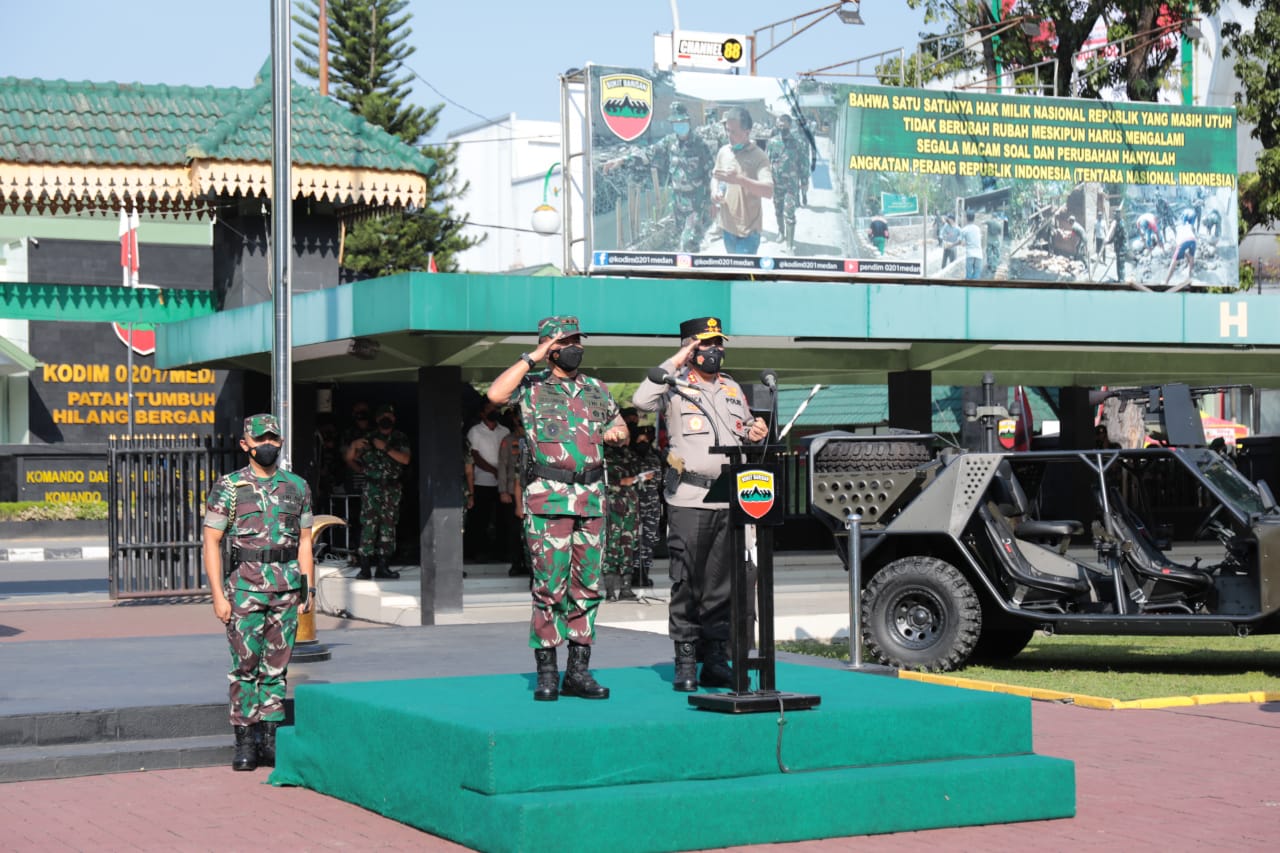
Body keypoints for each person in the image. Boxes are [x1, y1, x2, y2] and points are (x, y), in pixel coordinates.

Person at [486, 315, 630, 702]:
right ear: (550, 347)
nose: (575, 348)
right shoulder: (531, 386)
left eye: (578, 341)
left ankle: (578, 672)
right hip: (548, 499)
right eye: (567, 342)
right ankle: (547, 671)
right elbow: (496, 395)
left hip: (593, 500)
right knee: (549, 587)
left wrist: (617, 434)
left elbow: (620, 427)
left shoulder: (597, 389)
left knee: (586, 588)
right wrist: (532, 357)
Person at [632, 316, 770, 692]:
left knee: (722, 586)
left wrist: (756, 432)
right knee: (688, 580)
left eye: (719, 343)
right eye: (707, 344)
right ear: (691, 347)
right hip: (690, 499)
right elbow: (639, 399)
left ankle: (715, 659)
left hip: (730, 499)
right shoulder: (673, 386)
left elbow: (743, 433)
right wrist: (678, 359)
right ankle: (686, 660)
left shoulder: (731, 388)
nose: (716, 351)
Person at [202, 413, 315, 772]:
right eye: (260, 439)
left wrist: (307, 589)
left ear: (280, 443)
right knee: (245, 667)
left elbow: (306, 541)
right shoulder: (230, 486)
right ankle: (245, 740)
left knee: (276, 667)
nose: (267, 445)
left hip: (285, 589)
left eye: (273, 439)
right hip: (245, 590)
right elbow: (211, 541)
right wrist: (218, 596)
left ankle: (270, 738)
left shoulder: (297, 486)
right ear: (245, 445)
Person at [603, 101, 715, 254]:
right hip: (678, 203)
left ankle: (690, 273)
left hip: (696, 204)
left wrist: (711, 202)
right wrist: (622, 160)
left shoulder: (701, 145)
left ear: (688, 121)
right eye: (675, 122)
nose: (679, 125)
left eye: (681, 121)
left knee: (688, 243)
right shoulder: (669, 142)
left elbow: (711, 174)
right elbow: (648, 154)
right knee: (679, 243)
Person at [345, 403, 410, 579]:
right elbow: (350, 459)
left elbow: (405, 459)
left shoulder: (399, 438)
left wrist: (385, 448)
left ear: (394, 418)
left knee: (388, 527)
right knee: (369, 526)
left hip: (392, 487)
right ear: (377, 419)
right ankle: (365, 567)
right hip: (372, 487)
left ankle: (383, 567)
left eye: (389, 416)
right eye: (382, 417)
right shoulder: (368, 439)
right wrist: (353, 448)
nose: (386, 419)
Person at [711, 107, 773, 255]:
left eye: (734, 132)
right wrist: (714, 191)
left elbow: (768, 191)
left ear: (747, 132)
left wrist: (739, 180)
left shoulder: (759, 157)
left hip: (748, 232)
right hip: (727, 228)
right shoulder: (724, 152)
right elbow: (715, 176)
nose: (729, 136)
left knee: (742, 275)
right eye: (727, 130)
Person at [464, 399, 511, 563]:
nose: (494, 411)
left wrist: (502, 473)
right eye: (490, 409)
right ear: (482, 413)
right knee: (479, 519)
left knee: (501, 519)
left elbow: (508, 455)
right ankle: (474, 552)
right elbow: (474, 456)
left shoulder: (504, 431)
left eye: (495, 408)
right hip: (481, 482)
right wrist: (494, 470)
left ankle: (500, 552)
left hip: (502, 484)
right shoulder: (475, 431)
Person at [601, 430, 641, 602]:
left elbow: (637, 473)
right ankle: (610, 591)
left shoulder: (631, 455)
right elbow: (605, 479)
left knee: (628, 546)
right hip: (613, 506)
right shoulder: (604, 455)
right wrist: (621, 482)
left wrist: (637, 479)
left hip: (630, 506)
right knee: (611, 545)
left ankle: (626, 589)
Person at [497, 407, 531, 578]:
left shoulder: (535, 438)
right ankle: (516, 564)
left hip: (532, 493)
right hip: (512, 490)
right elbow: (502, 465)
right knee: (514, 531)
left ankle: (529, 564)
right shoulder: (508, 440)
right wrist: (503, 490)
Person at [631, 423, 664, 589]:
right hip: (632, 504)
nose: (643, 441)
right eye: (640, 438)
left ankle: (644, 572)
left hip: (651, 505)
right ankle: (633, 573)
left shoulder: (655, 457)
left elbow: (658, 481)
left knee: (649, 539)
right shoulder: (629, 457)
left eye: (646, 438)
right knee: (632, 540)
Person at [765, 113, 804, 251]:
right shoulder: (772, 142)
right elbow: (766, 162)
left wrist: (804, 182)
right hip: (776, 184)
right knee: (778, 210)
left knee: (790, 213)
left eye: (784, 123)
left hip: (790, 186)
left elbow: (803, 163)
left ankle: (789, 245)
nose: (781, 125)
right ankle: (781, 232)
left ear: (789, 124)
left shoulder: (797, 143)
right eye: (779, 123)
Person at [1164, 211, 1198, 290]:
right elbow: (1193, 234)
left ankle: (1166, 281)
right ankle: (1190, 275)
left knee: (1173, 262)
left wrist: (1181, 254)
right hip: (1193, 240)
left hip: (1183, 242)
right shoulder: (1189, 226)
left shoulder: (1178, 229)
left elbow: (1179, 246)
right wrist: (1187, 256)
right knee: (1192, 256)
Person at [957, 210, 984, 279]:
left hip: (970, 254)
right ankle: (975, 288)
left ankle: (968, 288)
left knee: (968, 275)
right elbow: (977, 239)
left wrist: (951, 245)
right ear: (974, 218)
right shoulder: (977, 229)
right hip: (979, 254)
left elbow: (960, 242)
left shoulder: (964, 229)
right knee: (977, 274)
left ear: (966, 218)